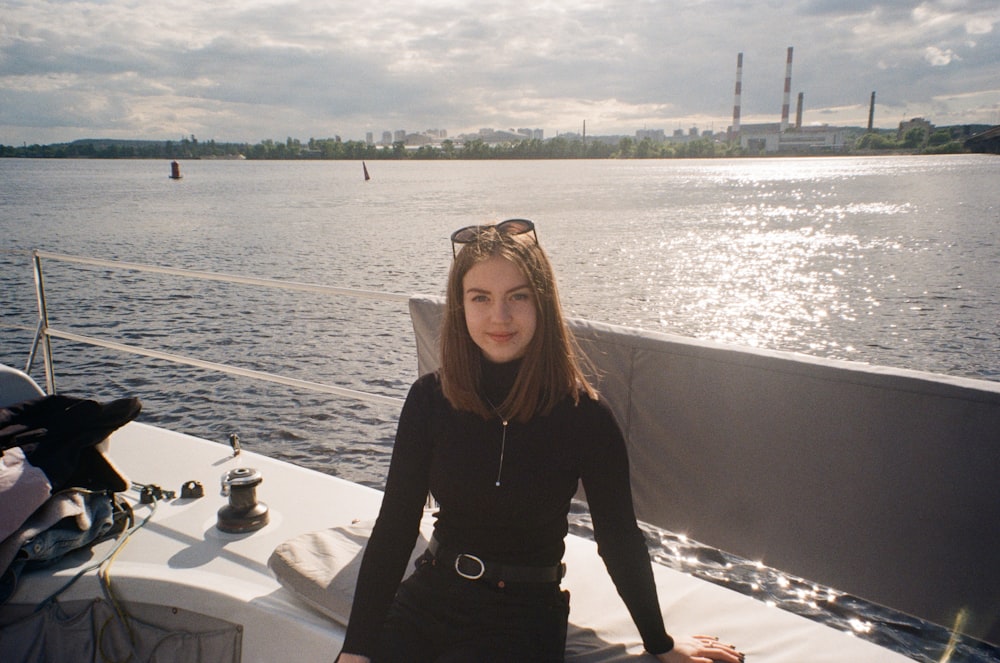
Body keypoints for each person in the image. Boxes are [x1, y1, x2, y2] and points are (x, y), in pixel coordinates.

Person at [337, 220, 744, 663]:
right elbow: (396, 527)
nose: (500, 316)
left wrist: (660, 644)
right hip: (429, 596)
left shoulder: (584, 417)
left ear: (542, 303)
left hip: (522, 615)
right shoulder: (430, 400)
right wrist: (356, 651)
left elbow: (620, 540)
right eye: (481, 298)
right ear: (460, 306)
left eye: (518, 296)